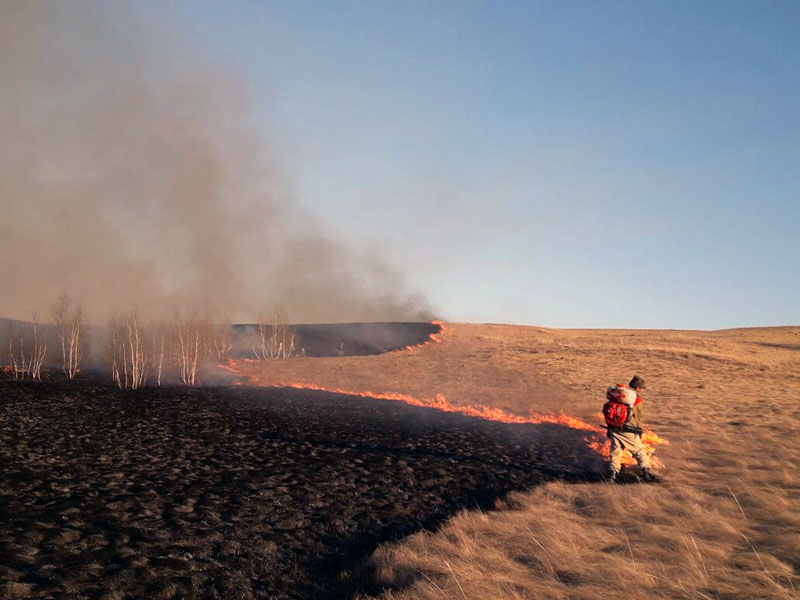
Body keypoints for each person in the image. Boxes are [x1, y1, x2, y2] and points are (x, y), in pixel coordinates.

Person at [607, 375, 659, 483]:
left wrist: (609, 429)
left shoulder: (619, 395)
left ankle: (612, 475)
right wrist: (639, 431)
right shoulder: (637, 399)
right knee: (640, 451)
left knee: (615, 453)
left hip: (614, 428)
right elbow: (638, 417)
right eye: (642, 388)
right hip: (628, 430)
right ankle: (646, 474)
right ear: (638, 388)